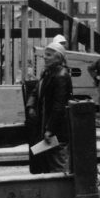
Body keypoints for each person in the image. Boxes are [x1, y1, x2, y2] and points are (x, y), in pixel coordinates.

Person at [31, 40, 73, 173]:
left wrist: (50, 129)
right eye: (45, 54)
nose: (45, 57)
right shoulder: (48, 73)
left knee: (58, 160)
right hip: (47, 123)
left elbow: (58, 107)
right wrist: (31, 106)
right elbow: (36, 91)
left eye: (49, 55)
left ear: (58, 58)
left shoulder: (61, 76)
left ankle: (62, 189)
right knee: (49, 159)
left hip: (57, 129)